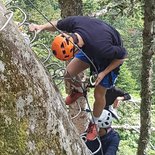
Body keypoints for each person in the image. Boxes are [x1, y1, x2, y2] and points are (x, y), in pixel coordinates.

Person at [29, 16, 127, 140]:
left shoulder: (102, 47)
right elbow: (57, 25)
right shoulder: (75, 23)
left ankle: (94, 123)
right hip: (89, 45)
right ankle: (80, 91)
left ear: (76, 47)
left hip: (109, 58)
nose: (74, 56)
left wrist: (103, 73)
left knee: (99, 93)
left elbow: (122, 56)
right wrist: (41, 27)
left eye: (73, 53)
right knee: (68, 73)